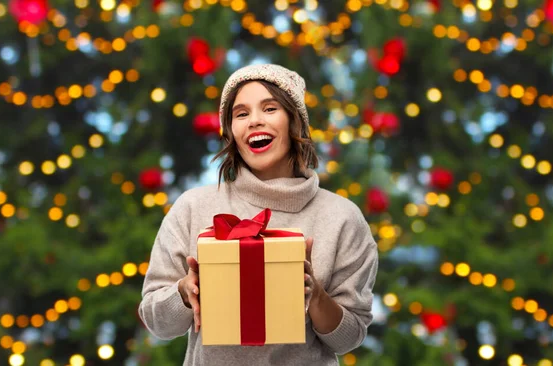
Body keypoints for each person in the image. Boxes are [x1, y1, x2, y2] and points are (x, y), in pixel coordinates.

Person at [139, 63, 379, 365]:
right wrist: (185, 293)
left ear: (295, 122)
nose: (254, 121)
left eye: (269, 108)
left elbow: (349, 337)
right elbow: (157, 323)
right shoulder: (192, 208)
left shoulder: (342, 218)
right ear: (231, 132)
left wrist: (315, 296)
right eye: (241, 114)